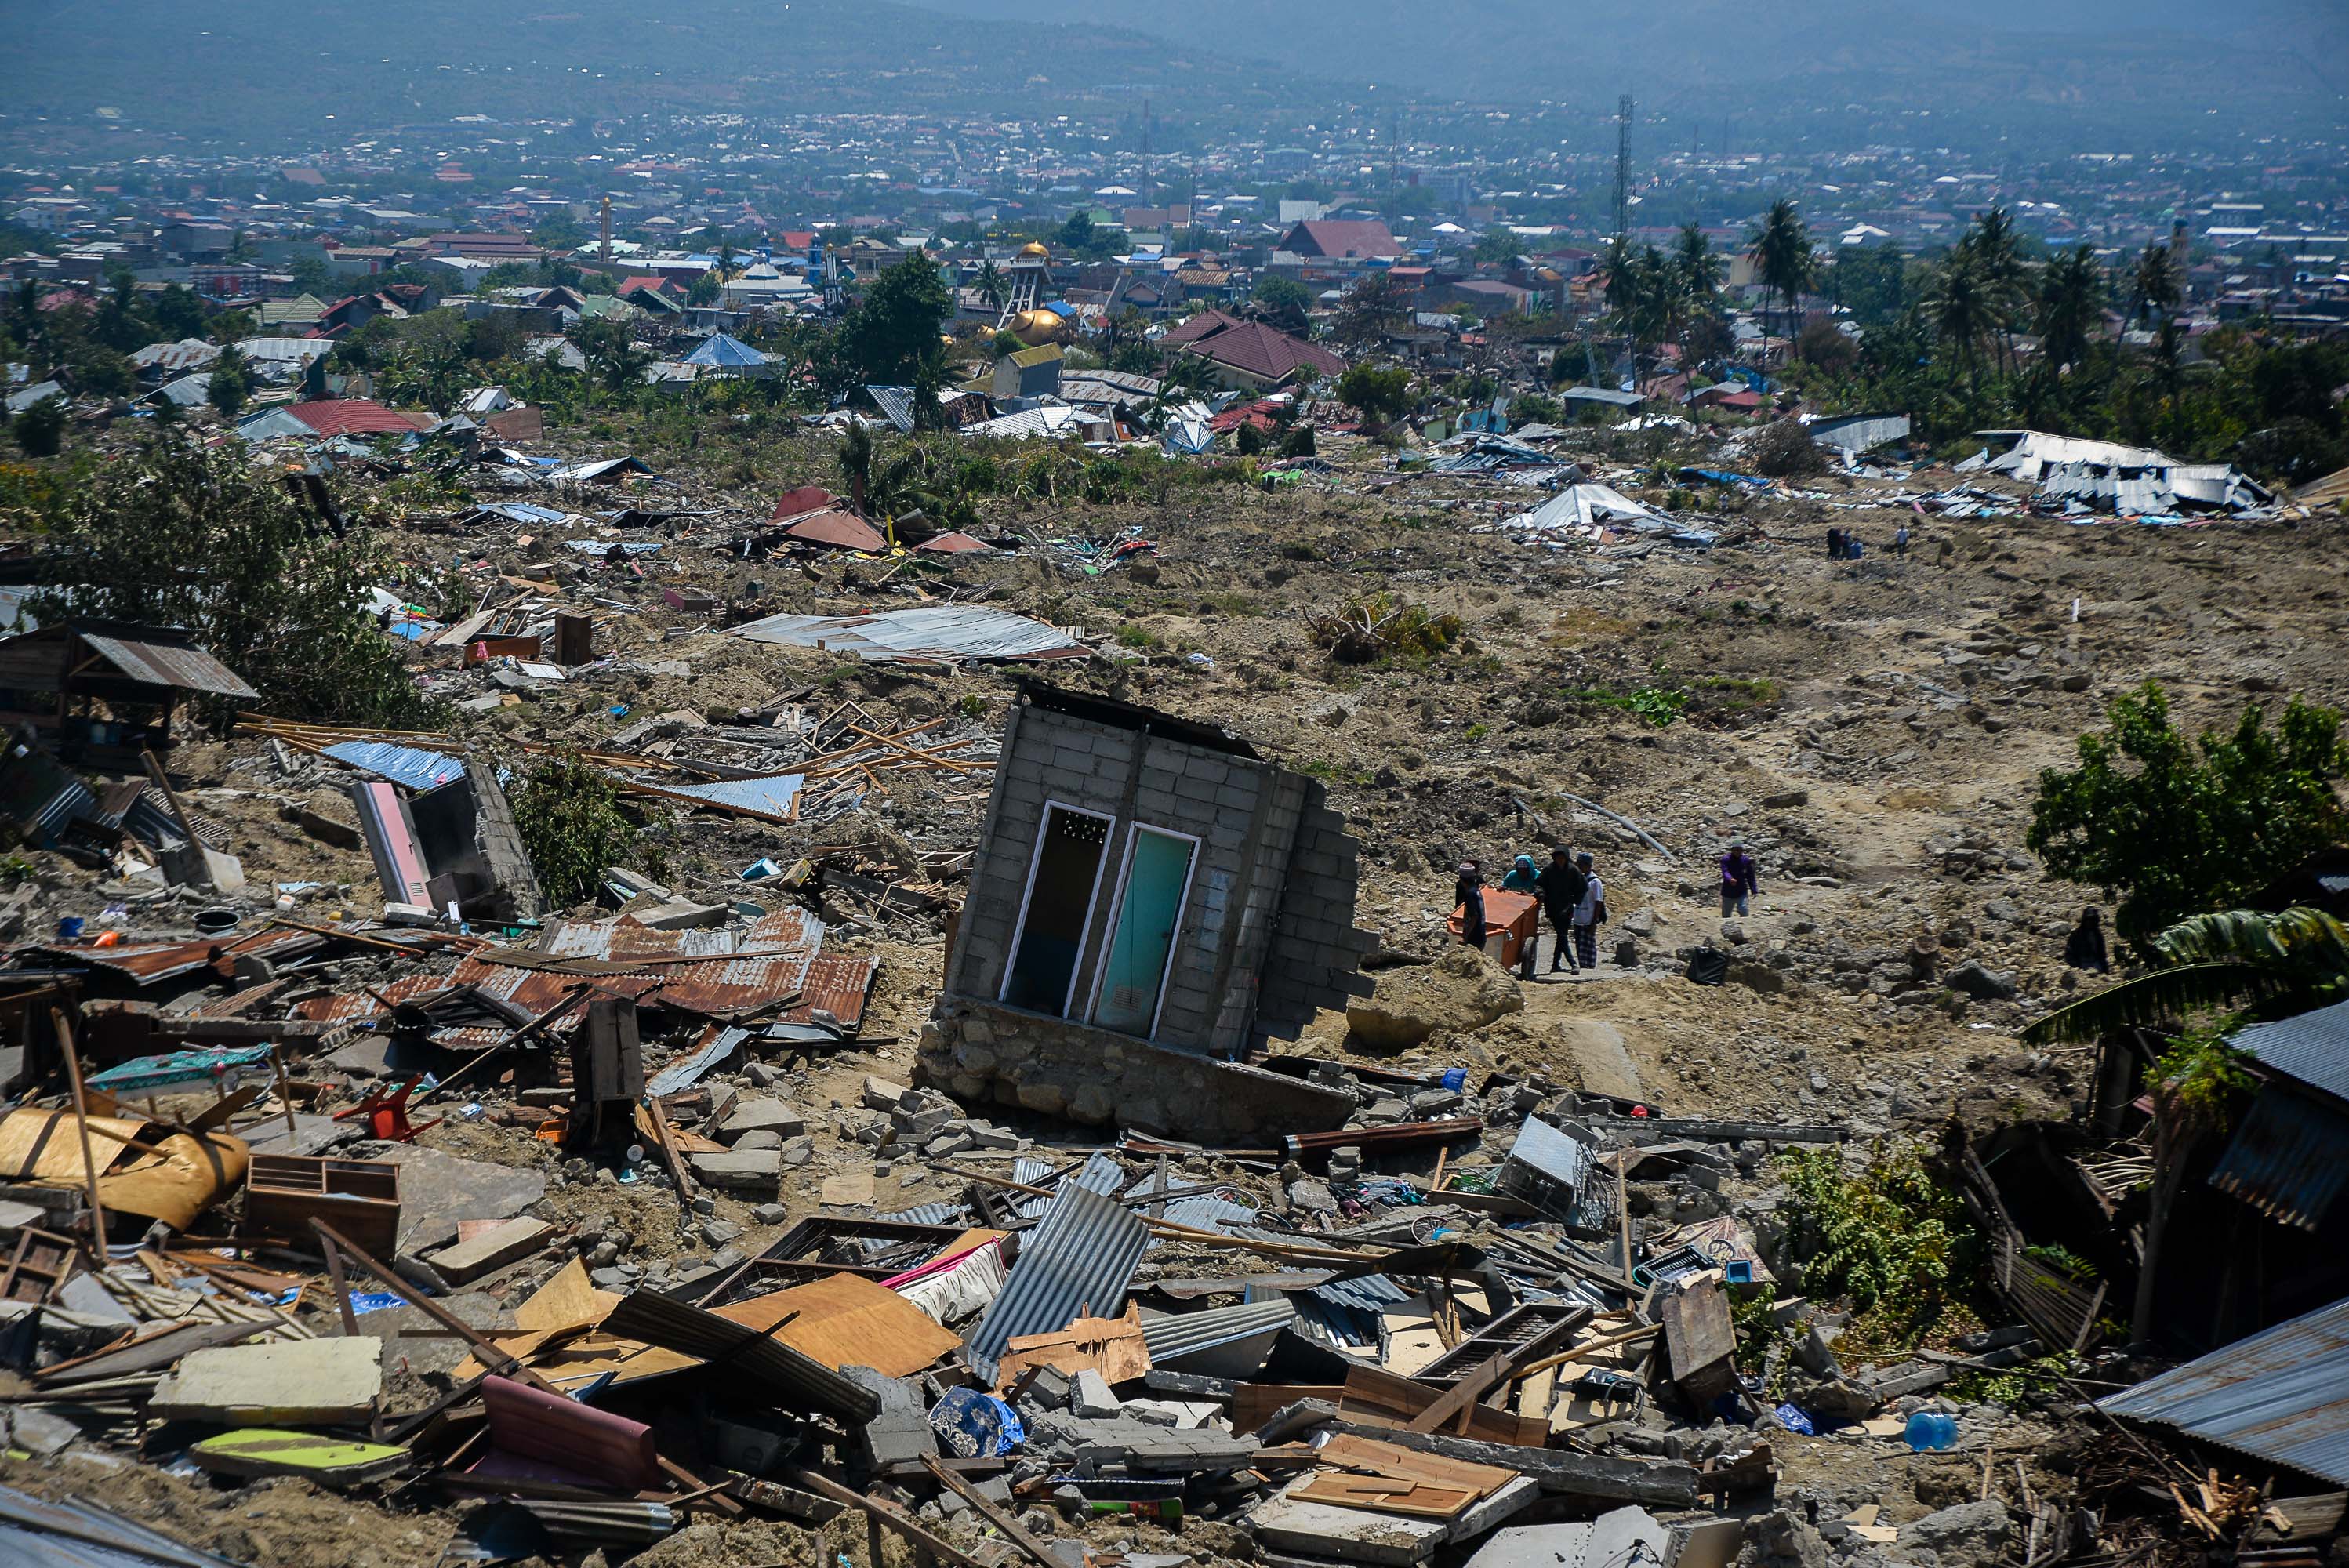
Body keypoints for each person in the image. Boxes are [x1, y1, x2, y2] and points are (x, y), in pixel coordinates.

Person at [1536, 844, 1586, 974]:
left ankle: (1556, 964)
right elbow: (1539, 884)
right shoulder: (1549, 870)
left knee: (1561, 935)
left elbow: (1583, 887)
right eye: (1558, 858)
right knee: (1562, 934)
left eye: (1562, 858)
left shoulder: (1573, 870)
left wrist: (1576, 901)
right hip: (1552, 907)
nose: (1560, 860)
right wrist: (1541, 893)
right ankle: (1573, 963)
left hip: (1567, 907)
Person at [1500, 853, 1542, 976]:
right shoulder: (1512, 876)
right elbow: (1505, 886)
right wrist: (1502, 889)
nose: (1522, 872)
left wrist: (1530, 895)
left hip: (1527, 913)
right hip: (1510, 909)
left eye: (1525, 870)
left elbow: (1540, 892)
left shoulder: (1537, 876)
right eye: (1520, 870)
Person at [1571, 851, 1605, 971]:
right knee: (1580, 946)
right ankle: (1583, 967)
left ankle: (1590, 969)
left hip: (1588, 919)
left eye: (1581, 865)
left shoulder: (1595, 881)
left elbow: (1598, 902)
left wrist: (1594, 922)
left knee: (1589, 946)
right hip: (1578, 918)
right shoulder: (1580, 879)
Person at [1719, 840, 1759, 918]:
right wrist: (1730, 879)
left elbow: (1750, 876)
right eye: (1736, 850)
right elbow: (1725, 871)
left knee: (1743, 908)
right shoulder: (1725, 859)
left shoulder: (1746, 860)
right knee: (1726, 914)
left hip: (1741, 890)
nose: (1738, 852)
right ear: (1732, 850)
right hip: (1728, 891)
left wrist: (1754, 889)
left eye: (1740, 850)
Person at [2064, 906, 2110, 974]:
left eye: (2092, 920)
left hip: (2096, 964)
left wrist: (2106, 970)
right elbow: (2069, 952)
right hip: (2082, 965)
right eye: (2088, 920)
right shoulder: (2076, 935)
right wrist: (2076, 966)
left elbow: (2102, 954)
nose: (2090, 922)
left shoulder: (2098, 935)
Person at [1454, 862, 1487, 953]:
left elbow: (1474, 916)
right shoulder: (1476, 891)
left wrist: (1464, 936)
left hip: (1474, 938)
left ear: (1461, 879)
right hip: (1480, 935)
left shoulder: (1469, 895)